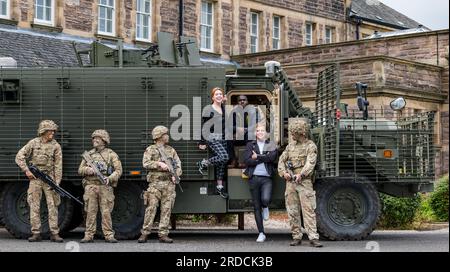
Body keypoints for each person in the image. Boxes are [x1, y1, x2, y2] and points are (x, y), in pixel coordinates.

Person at [15, 120, 64, 242]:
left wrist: (57, 182)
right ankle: (36, 233)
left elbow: (58, 165)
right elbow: (19, 156)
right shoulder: (33, 143)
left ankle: (54, 233)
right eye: (50, 131)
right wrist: (27, 170)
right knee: (34, 205)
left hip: (49, 179)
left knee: (52, 206)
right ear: (43, 131)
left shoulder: (56, 146)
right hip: (35, 179)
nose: (52, 133)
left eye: (53, 131)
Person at [278, 118, 323, 247]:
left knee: (308, 210)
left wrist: (301, 174)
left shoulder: (310, 146)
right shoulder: (290, 146)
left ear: (301, 133)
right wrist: (284, 173)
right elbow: (281, 160)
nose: (291, 135)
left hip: (304, 182)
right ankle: (296, 236)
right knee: (292, 210)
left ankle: (313, 237)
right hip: (290, 182)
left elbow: (311, 163)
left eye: (294, 133)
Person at [138, 126, 182, 243]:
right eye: (165, 134)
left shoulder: (171, 150)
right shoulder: (151, 149)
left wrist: (175, 175)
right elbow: (145, 163)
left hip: (168, 184)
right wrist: (159, 164)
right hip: (155, 184)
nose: (168, 136)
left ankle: (163, 234)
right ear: (159, 136)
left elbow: (178, 165)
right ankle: (145, 233)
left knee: (166, 209)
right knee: (151, 208)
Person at [78, 129, 122, 243]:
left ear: (104, 140)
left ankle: (108, 235)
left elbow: (118, 170)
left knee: (106, 212)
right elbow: (80, 170)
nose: (94, 140)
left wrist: (110, 178)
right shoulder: (88, 155)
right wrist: (88, 170)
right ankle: (88, 235)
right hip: (91, 186)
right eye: (94, 138)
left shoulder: (111, 154)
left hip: (105, 187)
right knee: (90, 212)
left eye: (97, 138)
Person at [243, 124, 277, 242]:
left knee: (265, 199)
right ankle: (261, 233)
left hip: (267, 178)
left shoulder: (271, 144)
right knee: (256, 207)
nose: (260, 132)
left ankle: (266, 206)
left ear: (266, 133)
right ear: (255, 133)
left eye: (262, 130)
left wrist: (256, 157)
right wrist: (263, 157)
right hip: (254, 178)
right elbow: (247, 160)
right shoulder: (250, 145)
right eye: (258, 130)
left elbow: (272, 158)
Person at [196, 87, 229, 198]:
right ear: (213, 97)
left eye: (220, 94)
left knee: (221, 164)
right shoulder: (209, 109)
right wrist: (202, 141)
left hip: (223, 138)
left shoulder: (223, 108)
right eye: (217, 94)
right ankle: (203, 163)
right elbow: (204, 126)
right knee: (224, 157)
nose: (219, 95)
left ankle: (219, 187)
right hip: (212, 137)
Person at [229, 95, 263, 168]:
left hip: (250, 134)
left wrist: (245, 130)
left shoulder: (253, 110)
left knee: (250, 136)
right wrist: (237, 129)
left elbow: (257, 124)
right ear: (237, 102)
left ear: (247, 101)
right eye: (240, 100)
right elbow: (229, 126)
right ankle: (233, 159)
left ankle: (246, 160)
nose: (242, 101)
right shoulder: (233, 112)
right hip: (238, 135)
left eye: (244, 100)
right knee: (228, 139)